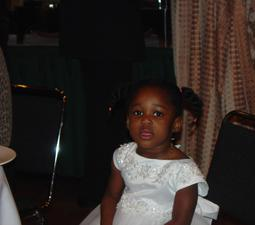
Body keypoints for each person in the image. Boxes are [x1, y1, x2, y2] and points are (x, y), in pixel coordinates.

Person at [79, 79, 219, 225]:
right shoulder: (123, 156)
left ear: (176, 124)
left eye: (157, 114)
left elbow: (180, 221)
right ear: (127, 121)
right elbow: (111, 197)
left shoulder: (184, 171)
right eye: (138, 112)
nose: (145, 120)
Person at [59, 0, 145, 206]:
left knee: (103, 118)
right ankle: (106, 190)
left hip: (97, 35)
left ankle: (101, 188)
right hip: (110, 34)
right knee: (110, 120)